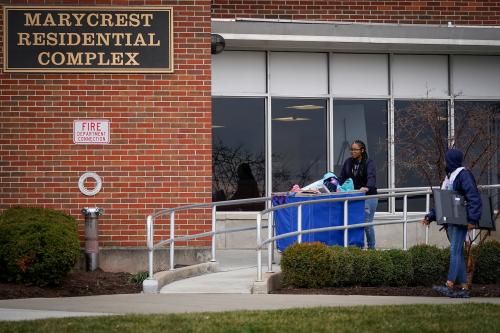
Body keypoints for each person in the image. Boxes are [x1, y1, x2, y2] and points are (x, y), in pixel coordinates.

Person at [421, 148, 482, 298]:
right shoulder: (449, 178)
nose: (444, 162)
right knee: (457, 253)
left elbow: (474, 197)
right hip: (452, 220)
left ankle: (449, 284)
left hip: (462, 220)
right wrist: (430, 216)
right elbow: (444, 201)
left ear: (452, 161)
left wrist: (472, 219)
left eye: (446, 160)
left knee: (455, 250)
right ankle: (464, 289)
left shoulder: (464, 175)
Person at [338, 140, 378, 249]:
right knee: (354, 223)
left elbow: (371, 177)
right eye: (351, 149)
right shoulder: (348, 162)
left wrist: (367, 187)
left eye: (355, 149)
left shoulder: (369, 162)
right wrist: (337, 187)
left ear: (362, 150)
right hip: (354, 197)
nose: (352, 152)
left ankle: (371, 249)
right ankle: (357, 247)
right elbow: (342, 178)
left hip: (368, 197)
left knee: (366, 223)